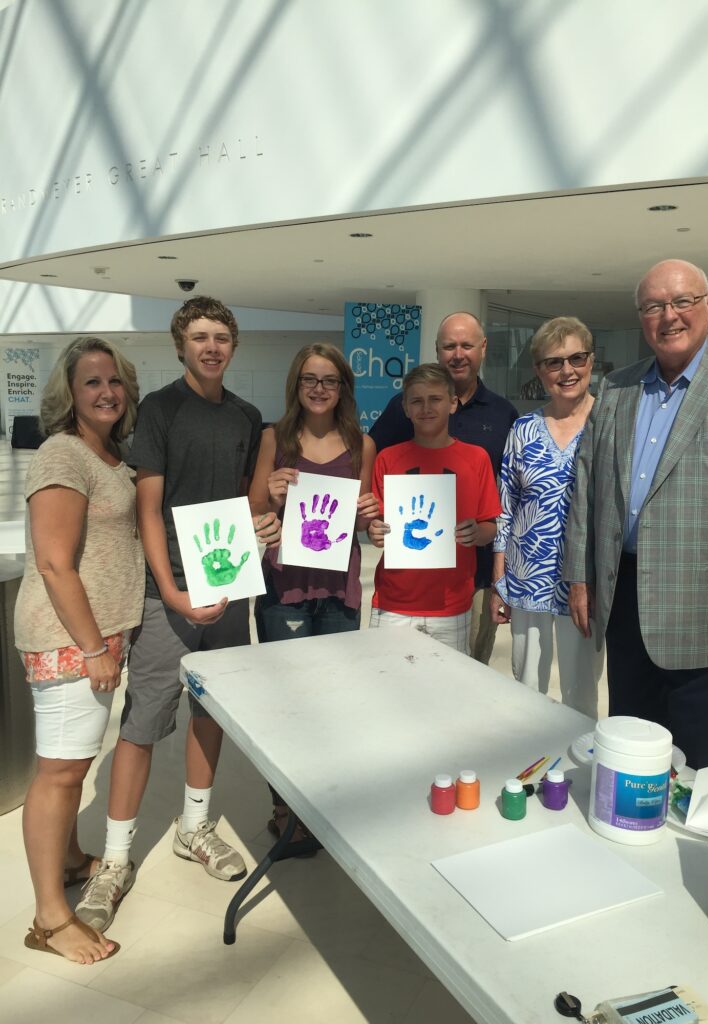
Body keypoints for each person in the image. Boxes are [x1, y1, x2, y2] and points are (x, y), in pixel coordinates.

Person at [76, 297, 281, 932]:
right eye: (199, 337)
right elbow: (149, 509)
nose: (211, 347)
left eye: (221, 336)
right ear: (180, 345)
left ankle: (194, 828)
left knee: (210, 711)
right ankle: (113, 861)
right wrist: (169, 592)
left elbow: (245, 507)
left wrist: (265, 522)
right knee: (144, 718)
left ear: (234, 346)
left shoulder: (248, 418)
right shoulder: (160, 412)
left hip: (226, 583)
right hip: (167, 591)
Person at [564, 259, 708, 769]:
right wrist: (581, 578)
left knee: (704, 770)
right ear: (641, 316)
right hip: (625, 602)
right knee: (632, 756)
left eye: (682, 302)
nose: (669, 316)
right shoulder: (617, 388)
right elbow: (588, 487)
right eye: (654, 306)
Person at [14, 336, 144, 964]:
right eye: (92, 382)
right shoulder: (63, 454)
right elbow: (53, 562)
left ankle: (66, 859)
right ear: (69, 392)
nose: (106, 392)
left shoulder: (107, 453)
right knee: (60, 772)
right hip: (72, 640)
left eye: (115, 380)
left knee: (75, 761)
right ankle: (49, 919)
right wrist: (93, 646)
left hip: (97, 637)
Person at [249, 343, 378, 841]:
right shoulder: (274, 438)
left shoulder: (359, 444)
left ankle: (323, 798)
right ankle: (285, 808)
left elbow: (363, 522)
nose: (319, 389)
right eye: (310, 379)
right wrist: (272, 497)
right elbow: (254, 507)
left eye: (329, 380)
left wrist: (370, 516)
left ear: (343, 387)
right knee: (287, 700)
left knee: (333, 698)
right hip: (286, 586)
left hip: (338, 585)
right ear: (296, 385)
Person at [369, 312, 517, 663]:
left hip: (463, 588)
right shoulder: (389, 456)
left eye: (466, 345)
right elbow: (373, 508)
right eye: (449, 346)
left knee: (460, 683)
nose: (458, 353)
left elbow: (496, 516)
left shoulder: (497, 423)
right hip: (397, 595)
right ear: (404, 407)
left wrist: (482, 539)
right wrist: (372, 526)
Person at [490, 317, 603, 716]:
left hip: (584, 582)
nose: (567, 371)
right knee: (526, 688)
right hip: (526, 578)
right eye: (554, 362)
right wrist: (499, 580)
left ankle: (578, 769)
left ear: (591, 361)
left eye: (577, 358)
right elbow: (506, 506)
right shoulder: (523, 429)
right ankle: (527, 768)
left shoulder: (609, 425)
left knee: (580, 690)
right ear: (539, 371)